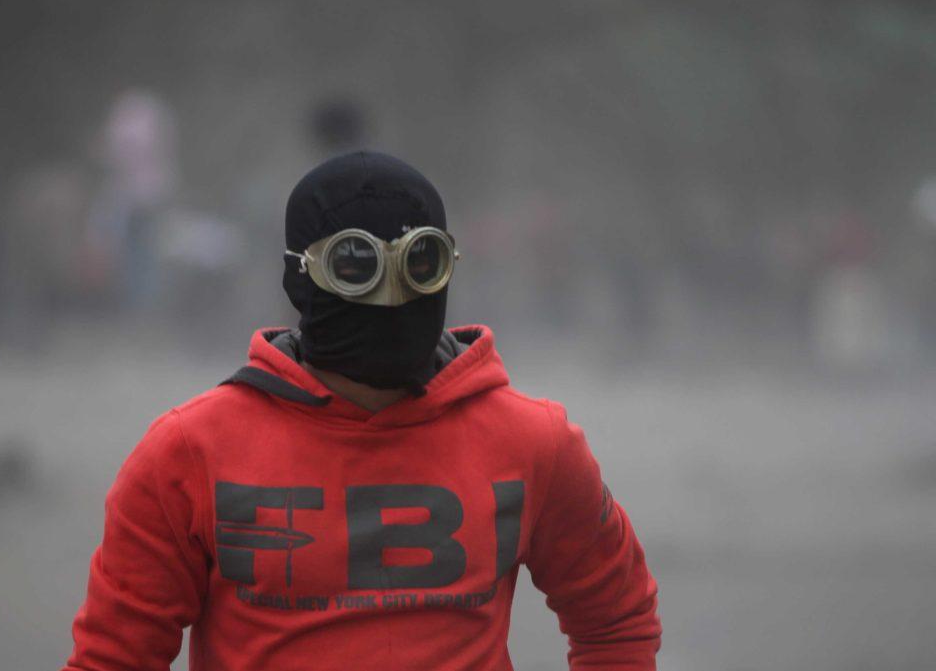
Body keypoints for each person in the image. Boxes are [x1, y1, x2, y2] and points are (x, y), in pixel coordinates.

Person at [61, 151, 661, 670]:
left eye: (419, 264)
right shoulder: (190, 455)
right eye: (356, 266)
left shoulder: (533, 443)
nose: (392, 294)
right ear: (301, 278)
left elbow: (615, 620)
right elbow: (115, 659)